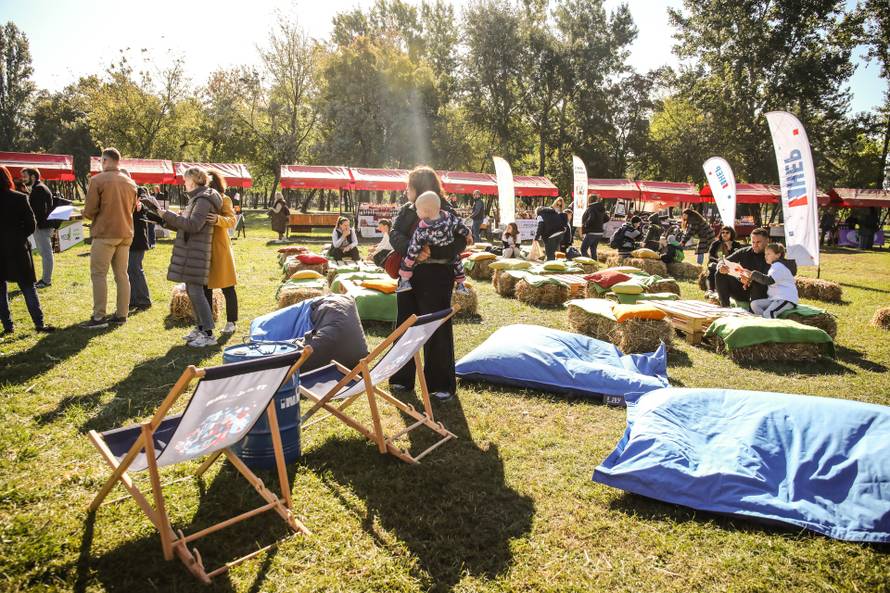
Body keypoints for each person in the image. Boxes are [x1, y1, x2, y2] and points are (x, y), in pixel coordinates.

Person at [388, 166, 467, 402]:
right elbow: (394, 234)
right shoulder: (407, 210)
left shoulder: (446, 209)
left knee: (437, 329)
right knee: (405, 325)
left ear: (419, 187)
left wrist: (433, 250)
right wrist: (412, 249)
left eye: (409, 187)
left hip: (438, 276)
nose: (405, 191)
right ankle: (401, 379)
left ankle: (440, 385)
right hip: (409, 276)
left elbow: (461, 240)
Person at [149, 166, 222, 347]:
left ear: (194, 180)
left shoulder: (204, 199)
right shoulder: (196, 199)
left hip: (197, 252)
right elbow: (185, 225)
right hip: (191, 250)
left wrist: (165, 213)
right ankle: (200, 327)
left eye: (185, 179)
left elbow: (194, 225)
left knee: (196, 292)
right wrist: (161, 218)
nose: (184, 182)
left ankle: (208, 334)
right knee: (192, 291)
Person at [82, 147, 138, 328]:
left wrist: (84, 212)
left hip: (106, 233)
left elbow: (90, 211)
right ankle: (122, 314)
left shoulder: (98, 180)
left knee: (99, 274)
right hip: (126, 232)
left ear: (105, 161)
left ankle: (99, 317)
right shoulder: (130, 182)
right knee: (122, 275)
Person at [0, 166, 55, 336]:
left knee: (1, 291)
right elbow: (31, 225)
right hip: (18, 248)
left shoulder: (21, 197)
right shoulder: (20, 198)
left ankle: (8, 326)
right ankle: (39, 323)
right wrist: (18, 237)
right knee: (27, 287)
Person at [397, 190, 471, 295]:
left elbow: (414, 246)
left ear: (426, 211)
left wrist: (410, 259)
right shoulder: (449, 218)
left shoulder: (422, 229)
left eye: (418, 210)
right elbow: (461, 227)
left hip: (429, 259)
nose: (416, 212)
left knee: (408, 261)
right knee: (458, 263)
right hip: (448, 258)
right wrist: (468, 234)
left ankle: (404, 281)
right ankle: (460, 285)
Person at [203, 169, 239, 334]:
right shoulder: (200, 199)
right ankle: (207, 323)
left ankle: (231, 322)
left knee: (227, 287)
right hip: (203, 248)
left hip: (220, 248)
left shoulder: (224, 199)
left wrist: (217, 219)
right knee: (205, 288)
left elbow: (232, 220)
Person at [715, 226, 770, 307]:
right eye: (753, 242)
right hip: (741, 289)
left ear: (767, 241)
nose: (755, 245)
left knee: (757, 284)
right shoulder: (744, 251)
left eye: (758, 242)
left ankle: (754, 310)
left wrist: (750, 280)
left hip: (762, 292)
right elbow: (723, 261)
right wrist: (721, 266)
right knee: (719, 273)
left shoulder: (772, 255)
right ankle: (725, 306)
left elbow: (770, 280)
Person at [21, 168, 55, 288]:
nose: (23, 179)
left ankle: (46, 280)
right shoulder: (38, 188)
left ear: (33, 176)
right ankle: (46, 279)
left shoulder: (39, 188)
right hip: (42, 225)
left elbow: (38, 210)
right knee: (45, 253)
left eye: (25, 176)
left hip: (42, 226)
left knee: (46, 253)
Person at [748, 242, 798, 318]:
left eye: (768, 254)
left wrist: (754, 274)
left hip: (785, 299)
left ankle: (770, 326)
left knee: (769, 313)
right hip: (775, 298)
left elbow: (769, 281)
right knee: (754, 304)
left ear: (778, 255)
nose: (765, 256)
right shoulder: (775, 266)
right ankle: (764, 321)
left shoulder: (779, 266)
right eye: (765, 254)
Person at [127, 187, 153, 311]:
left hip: (137, 242)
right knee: (129, 271)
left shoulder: (138, 193)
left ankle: (144, 300)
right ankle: (133, 299)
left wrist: (140, 204)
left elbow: (145, 203)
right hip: (129, 241)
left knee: (135, 269)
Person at [705, 226, 743, 298]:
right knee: (711, 267)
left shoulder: (736, 244)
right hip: (716, 263)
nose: (724, 234)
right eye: (722, 232)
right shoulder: (715, 243)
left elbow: (738, 258)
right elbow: (710, 256)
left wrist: (729, 249)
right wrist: (718, 261)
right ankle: (710, 290)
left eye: (727, 232)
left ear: (731, 234)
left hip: (730, 266)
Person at [580, 194, 609, 260]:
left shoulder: (591, 208)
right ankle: (594, 265)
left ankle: (589, 263)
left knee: (583, 249)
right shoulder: (601, 208)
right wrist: (599, 223)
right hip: (599, 233)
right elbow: (607, 218)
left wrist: (586, 225)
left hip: (591, 232)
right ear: (596, 200)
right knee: (593, 249)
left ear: (589, 200)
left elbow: (591, 219)